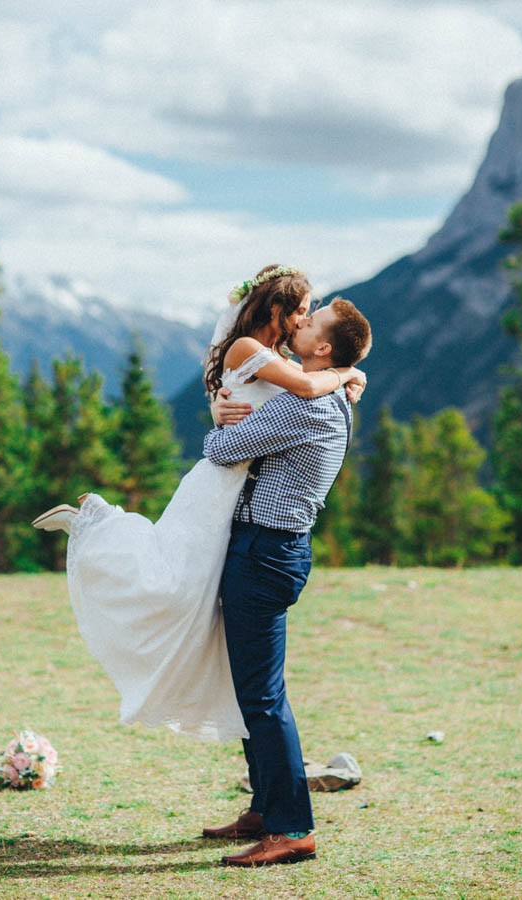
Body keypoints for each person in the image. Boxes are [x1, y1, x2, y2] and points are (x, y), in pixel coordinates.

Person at [31, 265, 367, 743]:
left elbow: (290, 393)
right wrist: (346, 372)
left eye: (310, 315)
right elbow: (307, 388)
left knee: (189, 590)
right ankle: (94, 522)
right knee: (169, 579)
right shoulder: (249, 349)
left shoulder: (274, 355)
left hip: (242, 495)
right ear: (275, 309)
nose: (303, 319)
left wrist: (344, 373)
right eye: (300, 311)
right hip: (221, 479)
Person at [201, 297, 372, 867]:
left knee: (263, 695)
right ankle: (265, 808)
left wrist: (221, 421)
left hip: (263, 552)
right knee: (255, 688)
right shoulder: (323, 394)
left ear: (323, 348)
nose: (300, 323)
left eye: (311, 322)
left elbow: (222, 451)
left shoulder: (305, 405)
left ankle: (291, 827)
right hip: (275, 549)